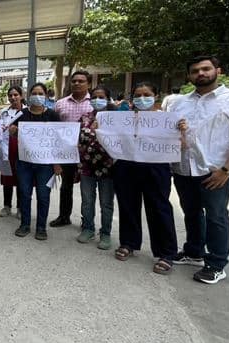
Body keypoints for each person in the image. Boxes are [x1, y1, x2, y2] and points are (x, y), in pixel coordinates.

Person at [169, 55, 229, 284]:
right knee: (191, 212)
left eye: (206, 69)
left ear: (218, 71)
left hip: (215, 171)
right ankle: (193, 252)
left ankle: (216, 264)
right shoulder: (179, 103)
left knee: (217, 216)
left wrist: (226, 170)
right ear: (189, 76)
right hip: (183, 168)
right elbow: (168, 134)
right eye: (195, 70)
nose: (201, 73)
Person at [108, 82, 181, 274]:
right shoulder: (122, 119)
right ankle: (129, 243)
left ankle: (166, 253)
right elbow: (110, 137)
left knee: (159, 207)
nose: (142, 98)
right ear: (132, 98)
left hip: (156, 167)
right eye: (138, 95)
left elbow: (182, 145)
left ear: (155, 96)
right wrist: (101, 128)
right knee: (127, 205)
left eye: (146, 94)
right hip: (126, 166)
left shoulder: (167, 120)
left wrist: (181, 131)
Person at [10, 83, 61, 240]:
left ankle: (41, 227)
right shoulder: (22, 114)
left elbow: (58, 140)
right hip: (24, 162)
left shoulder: (52, 115)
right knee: (24, 194)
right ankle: (25, 224)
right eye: (34, 93)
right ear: (29, 95)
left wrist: (57, 164)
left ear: (46, 96)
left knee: (43, 195)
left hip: (45, 165)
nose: (37, 96)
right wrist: (13, 132)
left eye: (40, 93)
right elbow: (13, 134)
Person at [76, 86, 116, 250]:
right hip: (87, 166)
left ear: (108, 99)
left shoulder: (116, 119)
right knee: (87, 200)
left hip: (109, 167)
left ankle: (105, 233)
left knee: (106, 203)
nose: (97, 100)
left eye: (101, 97)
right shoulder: (84, 118)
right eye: (94, 97)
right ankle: (88, 228)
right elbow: (76, 138)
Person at [51, 70, 93, 228]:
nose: (77, 83)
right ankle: (64, 216)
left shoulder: (95, 102)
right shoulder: (60, 104)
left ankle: (87, 220)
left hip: (89, 154)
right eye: (74, 81)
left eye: (81, 81)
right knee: (66, 186)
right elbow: (54, 130)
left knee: (87, 189)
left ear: (88, 83)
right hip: (66, 152)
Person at [0, 86, 24, 219]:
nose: (13, 98)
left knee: (21, 179)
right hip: (5, 149)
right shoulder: (3, 112)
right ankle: (7, 206)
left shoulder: (27, 112)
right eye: (10, 95)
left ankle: (20, 207)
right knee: (7, 178)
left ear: (21, 95)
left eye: (16, 95)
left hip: (21, 150)